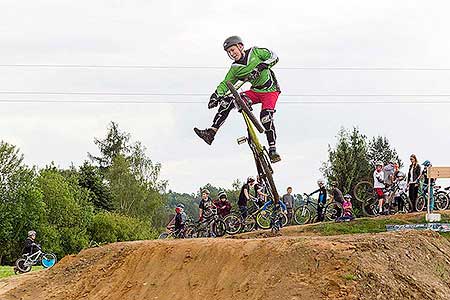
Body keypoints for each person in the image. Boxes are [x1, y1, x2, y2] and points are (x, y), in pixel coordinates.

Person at [194, 36, 282, 163]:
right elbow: (226, 83)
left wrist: (261, 66)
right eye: (229, 52)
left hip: (270, 90)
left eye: (233, 50)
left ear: (240, 46)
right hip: (255, 91)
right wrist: (216, 95)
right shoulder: (235, 68)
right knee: (227, 102)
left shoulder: (255, 52)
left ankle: (272, 149)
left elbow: (274, 57)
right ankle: (211, 133)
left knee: (265, 117)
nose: (231, 53)